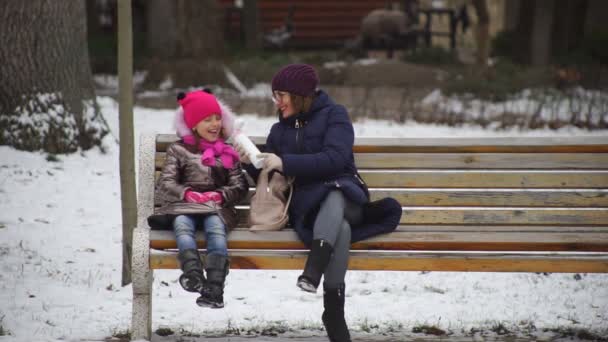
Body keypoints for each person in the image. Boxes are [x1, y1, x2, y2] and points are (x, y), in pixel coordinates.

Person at [236, 64, 402, 341]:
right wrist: (251, 163)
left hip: (347, 195)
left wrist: (287, 161)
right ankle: (333, 311)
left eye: (281, 95)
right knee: (342, 231)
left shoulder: (335, 116)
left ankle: (314, 270)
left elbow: (336, 158)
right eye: (274, 95)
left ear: (300, 95)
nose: (277, 101)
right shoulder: (279, 130)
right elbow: (273, 174)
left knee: (334, 194)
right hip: (308, 207)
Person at [147, 90, 248, 308]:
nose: (215, 124)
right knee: (183, 225)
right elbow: (166, 182)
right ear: (193, 124)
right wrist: (186, 193)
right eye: (207, 119)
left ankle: (214, 286)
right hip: (185, 205)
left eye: (218, 118)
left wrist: (220, 195)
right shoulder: (179, 150)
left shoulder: (227, 151)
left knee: (215, 229)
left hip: (216, 208)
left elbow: (239, 185)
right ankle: (192, 272)